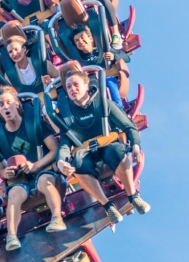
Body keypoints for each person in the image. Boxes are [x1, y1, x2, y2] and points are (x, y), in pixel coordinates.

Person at [53, 64, 150, 223]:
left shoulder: (103, 104)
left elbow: (129, 126)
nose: (72, 89)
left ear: (86, 86)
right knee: (76, 161)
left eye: (76, 85)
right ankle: (107, 205)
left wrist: (135, 146)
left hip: (108, 144)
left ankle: (133, 196)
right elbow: (64, 143)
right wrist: (62, 161)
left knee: (117, 150)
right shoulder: (67, 115)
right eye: (68, 86)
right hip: (85, 152)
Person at [0, 87, 65, 250]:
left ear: (16, 104)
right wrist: (4, 173)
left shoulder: (33, 122)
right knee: (14, 193)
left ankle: (57, 217)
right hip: (19, 178)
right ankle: (11, 236)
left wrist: (35, 165)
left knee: (44, 181)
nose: (6, 107)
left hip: (41, 169)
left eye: (8, 103)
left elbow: (55, 149)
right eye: (1, 104)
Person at [0, 23, 58, 96]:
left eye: (16, 49)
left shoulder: (41, 62)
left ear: (24, 49)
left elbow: (59, 77)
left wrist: (52, 81)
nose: (14, 53)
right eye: (10, 52)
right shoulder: (9, 75)